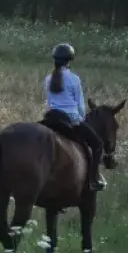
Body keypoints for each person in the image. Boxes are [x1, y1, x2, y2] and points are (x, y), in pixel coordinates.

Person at [43, 43, 106, 192]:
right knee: (98, 144)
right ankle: (93, 179)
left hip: (51, 116)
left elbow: (49, 101)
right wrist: (81, 119)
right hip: (70, 118)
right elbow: (80, 105)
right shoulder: (74, 78)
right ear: (69, 60)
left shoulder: (48, 79)